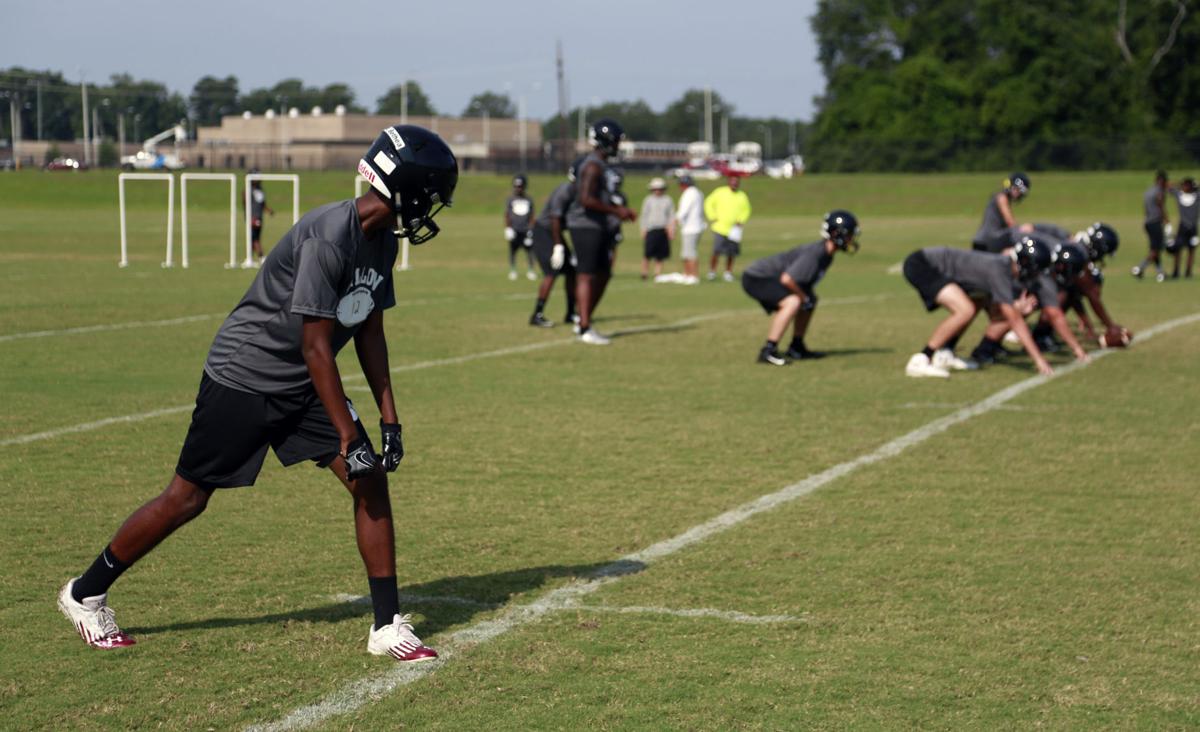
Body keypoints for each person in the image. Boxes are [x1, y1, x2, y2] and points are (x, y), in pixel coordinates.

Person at [57, 125, 458, 664]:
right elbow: (316, 346)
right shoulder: (327, 237)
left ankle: (386, 625)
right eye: (430, 197)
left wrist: (389, 421)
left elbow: (369, 329)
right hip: (246, 376)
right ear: (405, 189)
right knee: (187, 498)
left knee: (370, 480)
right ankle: (85, 593)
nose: (431, 210)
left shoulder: (382, 242)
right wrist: (348, 434)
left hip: (304, 382)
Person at [901, 235, 1059, 378]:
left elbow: (995, 314)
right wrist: (1038, 359)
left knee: (977, 300)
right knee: (965, 310)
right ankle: (921, 359)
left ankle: (945, 353)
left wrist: (1016, 309)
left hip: (932, 265)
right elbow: (1013, 319)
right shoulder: (1001, 271)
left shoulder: (1003, 269)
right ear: (1025, 263)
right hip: (922, 264)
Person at [742, 210, 859, 365]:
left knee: (810, 299)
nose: (851, 239)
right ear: (838, 234)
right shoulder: (816, 253)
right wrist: (803, 297)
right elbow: (788, 279)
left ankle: (796, 347)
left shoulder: (827, 253)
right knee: (794, 302)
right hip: (757, 277)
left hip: (771, 277)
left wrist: (807, 297)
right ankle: (768, 350)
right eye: (850, 235)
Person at [565, 118, 636, 345]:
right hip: (585, 224)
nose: (617, 146)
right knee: (586, 274)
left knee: (604, 273)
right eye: (615, 142)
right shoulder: (593, 165)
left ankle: (582, 319)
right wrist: (616, 211)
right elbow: (586, 199)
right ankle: (584, 327)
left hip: (598, 225)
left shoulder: (602, 165)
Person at [528, 162, 579, 328]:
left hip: (555, 233)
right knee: (552, 270)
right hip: (544, 231)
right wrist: (558, 247)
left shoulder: (579, 192)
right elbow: (555, 219)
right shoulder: (566, 191)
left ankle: (571, 313)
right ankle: (537, 314)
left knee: (572, 271)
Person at [705, 174, 752, 281]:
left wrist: (741, 220)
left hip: (734, 229)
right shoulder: (720, 192)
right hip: (720, 227)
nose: (734, 184)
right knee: (716, 251)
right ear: (728, 182)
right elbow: (709, 203)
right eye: (732, 181)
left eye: (736, 182)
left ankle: (728, 272)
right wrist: (712, 216)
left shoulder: (742, 195)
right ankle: (712, 271)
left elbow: (747, 209)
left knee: (731, 252)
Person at [971, 172, 1032, 252]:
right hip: (986, 242)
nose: (1018, 193)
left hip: (988, 241)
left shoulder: (1003, 198)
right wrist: (1021, 230)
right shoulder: (1002, 198)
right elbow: (1010, 222)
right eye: (1016, 189)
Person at [1132, 170, 1169, 282]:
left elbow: (1146, 209)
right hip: (1156, 222)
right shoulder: (1159, 192)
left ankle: (1160, 272)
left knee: (1155, 248)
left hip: (1148, 222)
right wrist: (1167, 221)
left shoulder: (1148, 192)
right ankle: (1139, 268)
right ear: (1161, 181)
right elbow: (1160, 206)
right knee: (1156, 250)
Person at [639, 177, 675, 280]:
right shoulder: (648, 200)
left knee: (660, 255)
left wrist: (671, 230)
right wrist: (643, 229)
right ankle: (644, 272)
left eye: (659, 189)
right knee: (647, 253)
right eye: (655, 189)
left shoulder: (668, 200)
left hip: (663, 229)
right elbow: (644, 215)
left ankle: (657, 273)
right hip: (651, 229)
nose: (657, 191)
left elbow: (671, 216)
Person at [504, 174, 537, 281]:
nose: (518, 188)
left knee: (529, 251)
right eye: (516, 186)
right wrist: (508, 228)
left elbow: (532, 215)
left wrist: (531, 230)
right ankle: (513, 270)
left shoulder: (529, 199)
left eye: (520, 186)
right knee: (513, 251)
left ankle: (531, 270)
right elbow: (507, 215)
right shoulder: (510, 199)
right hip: (514, 229)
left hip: (526, 230)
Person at [674, 173, 705, 284]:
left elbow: (683, 211)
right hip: (694, 227)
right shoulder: (697, 192)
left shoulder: (689, 193)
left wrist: (673, 223)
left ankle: (693, 275)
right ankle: (687, 274)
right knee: (686, 253)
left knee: (690, 253)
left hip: (691, 228)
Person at [1167, 176, 1197, 279]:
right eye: (1184, 185)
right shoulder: (1179, 194)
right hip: (1182, 226)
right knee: (1177, 250)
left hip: (1193, 227)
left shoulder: (1196, 196)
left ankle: (1188, 272)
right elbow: (1169, 186)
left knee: (1191, 250)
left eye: (1187, 185)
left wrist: (1196, 185)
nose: (1186, 187)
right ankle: (1176, 271)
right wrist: (1179, 184)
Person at [245, 169, 275, 264]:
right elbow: (245, 205)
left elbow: (262, 204)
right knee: (252, 238)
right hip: (252, 217)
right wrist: (249, 217)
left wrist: (268, 210)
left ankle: (260, 256)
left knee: (255, 238)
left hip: (258, 217)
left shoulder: (260, 190)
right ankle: (253, 257)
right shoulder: (247, 190)